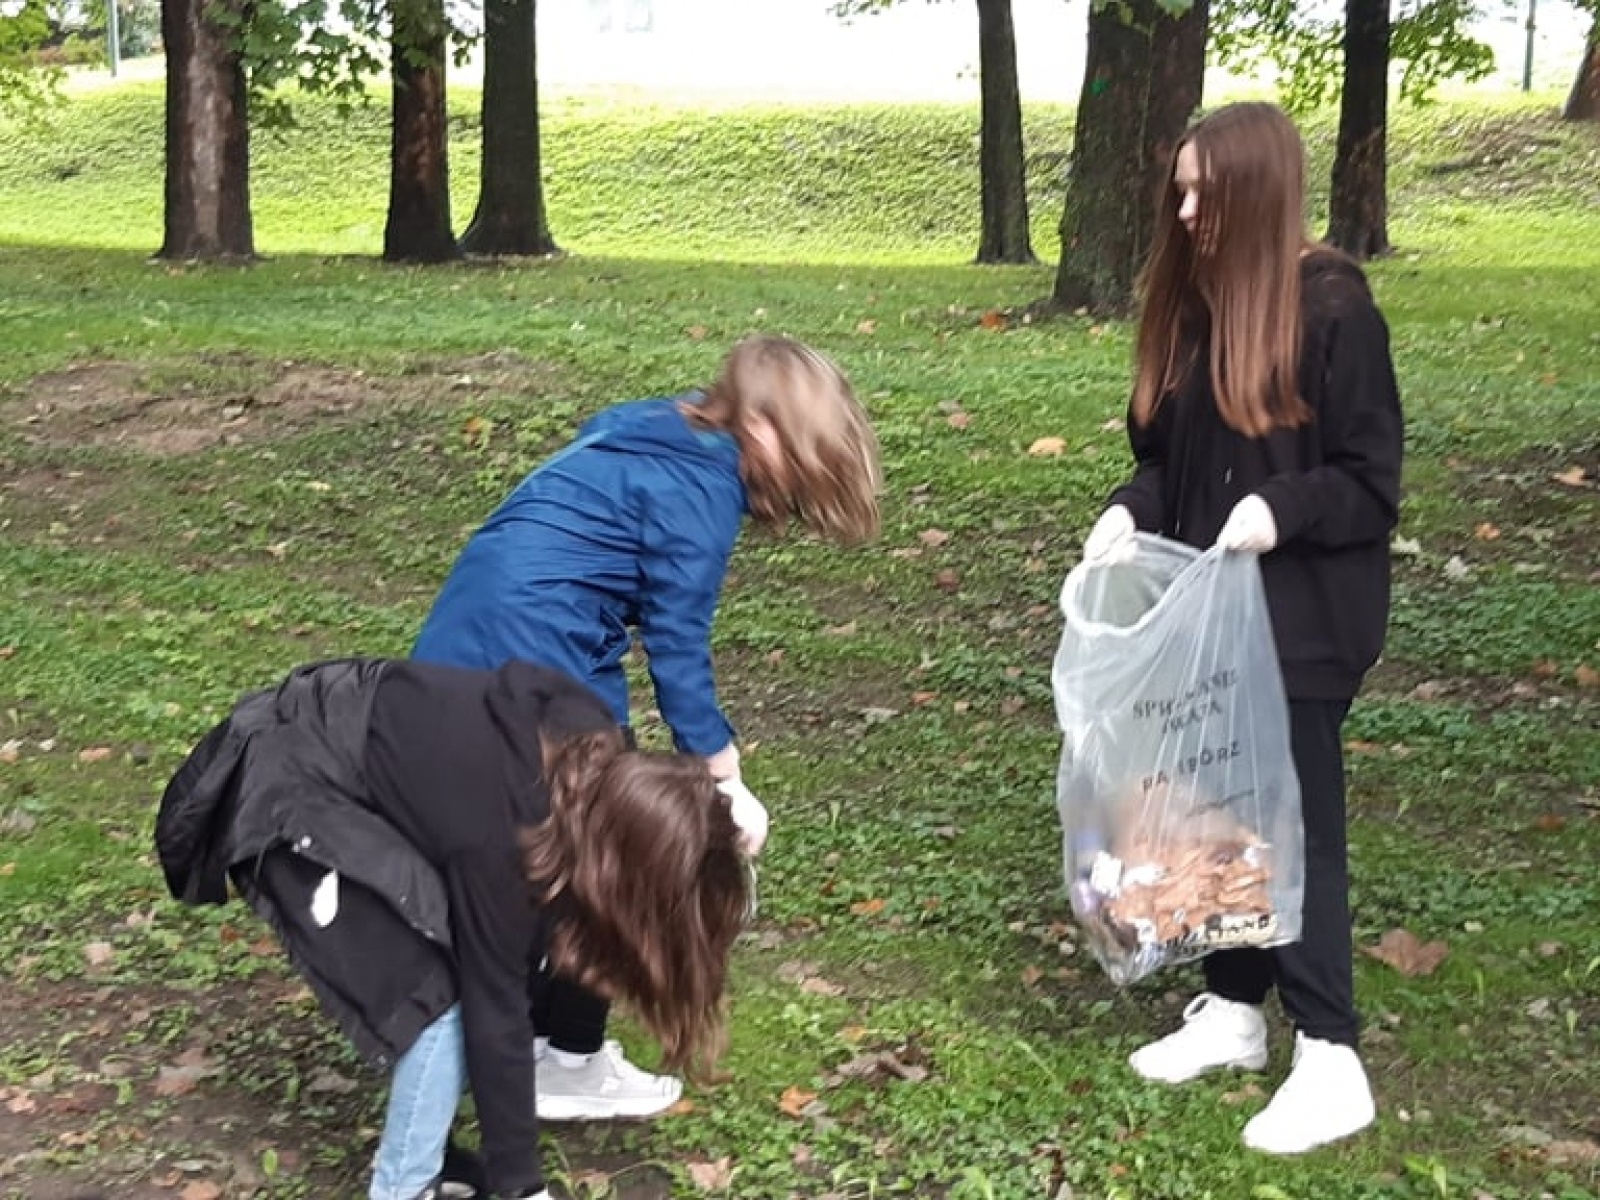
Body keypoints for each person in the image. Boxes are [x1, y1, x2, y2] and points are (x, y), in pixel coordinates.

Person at [411, 333, 882, 1118]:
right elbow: (677, 644)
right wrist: (723, 777)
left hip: (478, 634)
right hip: (529, 649)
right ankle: (562, 1058)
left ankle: (534, 1041)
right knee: (616, 847)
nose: (792, 494)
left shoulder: (665, 428)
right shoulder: (701, 490)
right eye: (801, 467)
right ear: (759, 426)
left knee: (558, 841)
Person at [1079, 102, 1403, 1155]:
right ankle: (1232, 1009)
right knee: (1215, 808)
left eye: (1203, 194)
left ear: (1258, 193)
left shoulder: (1333, 310)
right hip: (1208, 614)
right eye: (1179, 191)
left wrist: (1279, 511)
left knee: (1294, 824)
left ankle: (1331, 1052)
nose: (1183, 212)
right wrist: (1130, 510)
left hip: (1303, 622)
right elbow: (1169, 461)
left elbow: (1369, 482)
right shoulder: (1199, 308)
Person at [156, 658, 751, 1200]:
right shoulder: (499, 836)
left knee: (484, 961)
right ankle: (403, 1188)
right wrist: (522, 1187)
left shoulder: (596, 748)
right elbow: (496, 1009)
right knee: (437, 994)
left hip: (353, 744)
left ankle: (431, 1162)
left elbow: (557, 935)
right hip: (286, 780)